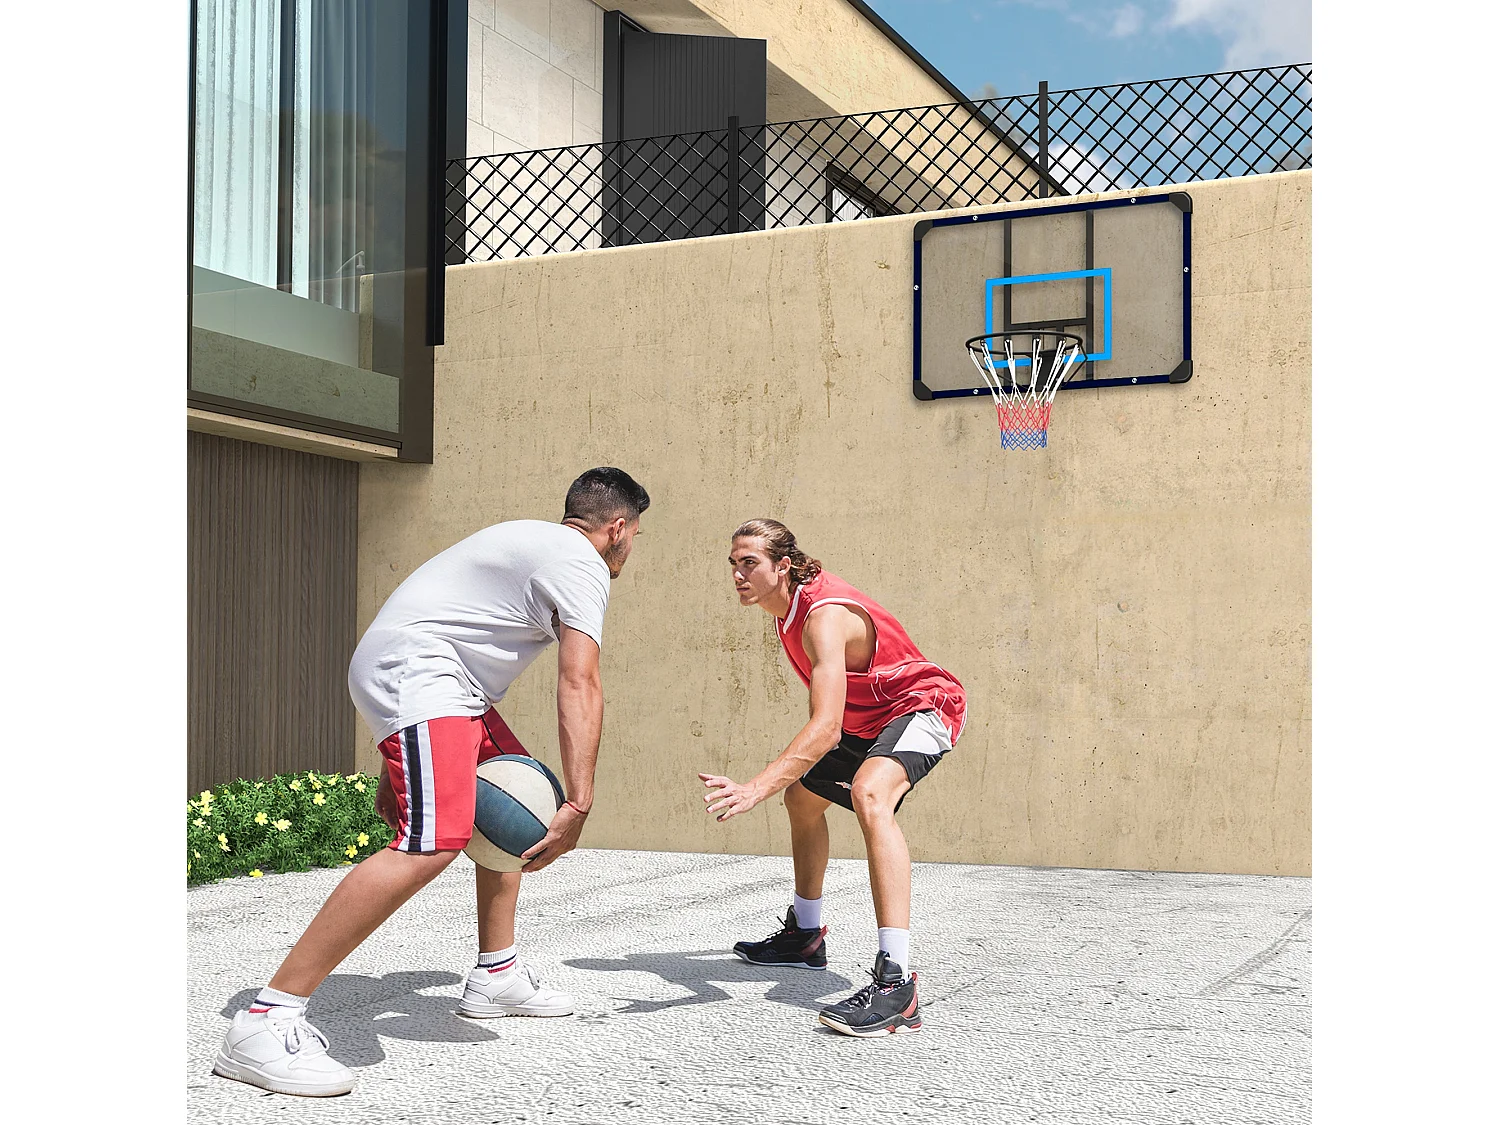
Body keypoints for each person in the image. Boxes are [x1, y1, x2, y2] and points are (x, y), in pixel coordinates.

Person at [213, 468, 650, 1096]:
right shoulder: (581, 561)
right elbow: (580, 682)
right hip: (421, 671)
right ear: (617, 529)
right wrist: (580, 801)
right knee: (434, 840)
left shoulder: (539, 543)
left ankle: (495, 975)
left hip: (441, 677)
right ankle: (266, 1020)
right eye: (633, 536)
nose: (629, 549)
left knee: (513, 794)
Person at [701, 518, 966, 1037]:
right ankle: (805, 935)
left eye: (749, 563)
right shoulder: (785, 610)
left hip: (924, 708)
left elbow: (824, 729)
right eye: (733, 564)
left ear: (783, 565)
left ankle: (896, 984)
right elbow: (835, 719)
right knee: (802, 798)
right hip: (868, 721)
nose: (738, 574)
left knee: (871, 794)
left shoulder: (821, 617)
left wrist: (755, 786)